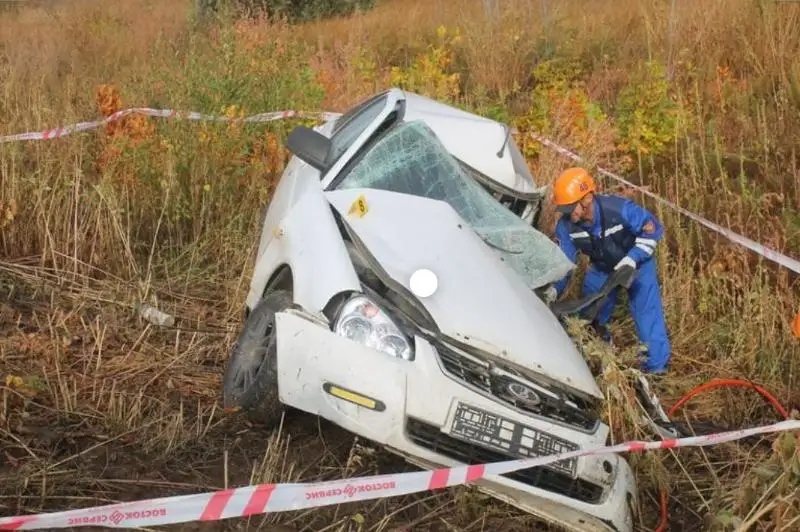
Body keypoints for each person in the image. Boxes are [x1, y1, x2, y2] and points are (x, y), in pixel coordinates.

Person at [542, 167, 672, 374]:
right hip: (602, 269)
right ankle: (601, 358)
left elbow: (653, 229)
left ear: (586, 199)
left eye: (570, 209)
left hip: (637, 266)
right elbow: (563, 262)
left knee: (647, 317)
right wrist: (554, 289)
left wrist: (633, 258)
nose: (568, 215)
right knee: (590, 315)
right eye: (564, 210)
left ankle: (656, 371)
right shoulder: (566, 227)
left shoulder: (619, 210)